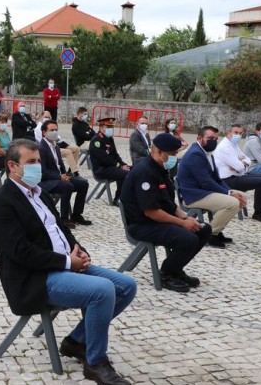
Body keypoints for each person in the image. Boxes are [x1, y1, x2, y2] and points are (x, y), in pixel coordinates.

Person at [0, 138, 137, 385]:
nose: (38, 167)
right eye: (31, 162)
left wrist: (78, 249)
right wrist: (68, 261)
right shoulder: (1, 201)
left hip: (63, 265)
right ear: (12, 166)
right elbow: (20, 252)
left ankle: (76, 341)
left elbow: (59, 229)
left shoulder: (40, 193)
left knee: (126, 285)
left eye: (39, 161)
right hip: (33, 278)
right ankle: (95, 362)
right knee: (102, 290)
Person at [121, 133, 212, 293]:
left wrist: (186, 217)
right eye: (172, 154)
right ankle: (167, 274)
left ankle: (176, 269)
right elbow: (151, 212)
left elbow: (170, 204)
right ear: (159, 152)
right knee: (188, 239)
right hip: (142, 224)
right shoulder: (145, 172)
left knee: (203, 229)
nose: (174, 158)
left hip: (158, 221)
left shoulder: (160, 169)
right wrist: (182, 223)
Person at [176, 126, 247, 248]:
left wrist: (230, 191)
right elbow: (206, 182)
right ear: (200, 138)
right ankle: (210, 234)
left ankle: (217, 231)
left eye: (215, 139)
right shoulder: (195, 154)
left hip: (204, 191)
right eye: (210, 138)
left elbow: (216, 179)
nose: (213, 141)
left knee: (242, 195)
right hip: (194, 195)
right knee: (232, 203)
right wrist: (229, 193)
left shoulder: (207, 153)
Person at [213, 124, 261, 223]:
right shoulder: (225, 147)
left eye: (240, 133)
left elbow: (247, 160)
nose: (238, 135)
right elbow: (239, 167)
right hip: (227, 180)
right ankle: (258, 213)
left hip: (237, 175)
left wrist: (241, 163)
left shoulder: (233, 145)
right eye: (235, 132)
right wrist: (241, 164)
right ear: (229, 133)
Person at [39, 120, 91, 228]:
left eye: (56, 130)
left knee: (83, 184)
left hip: (58, 178)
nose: (54, 132)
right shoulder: (41, 148)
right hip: (47, 181)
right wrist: (59, 177)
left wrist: (66, 175)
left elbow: (59, 166)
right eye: (51, 130)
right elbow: (42, 171)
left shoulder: (56, 147)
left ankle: (76, 214)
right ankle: (64, 218)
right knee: (67, 186)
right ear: (44, 132)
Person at [89, 117, 131, 205]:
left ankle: (128, 196)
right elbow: (104, 159)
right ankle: (117, 199)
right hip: (101, 170)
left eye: (111, 127)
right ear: (101, 128)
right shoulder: (96, 140)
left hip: (110, 167)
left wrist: (123, 164)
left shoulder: (109, 138)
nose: (110, 129)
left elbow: (115, 154)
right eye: (108, 127)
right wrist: (118, 166)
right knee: (124, 174)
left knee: (132, 169)